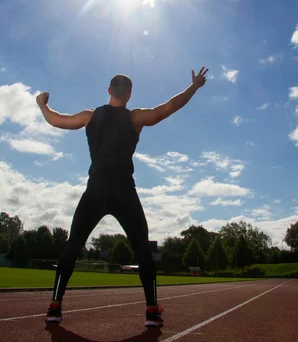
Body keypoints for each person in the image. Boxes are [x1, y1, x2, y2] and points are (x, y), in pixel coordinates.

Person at [36, 67, 208, 327]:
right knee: (143, 251)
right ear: (129, 94)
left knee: (72, 247)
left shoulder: (89, 117)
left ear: (108, 91)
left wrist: (41, 104)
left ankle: (55, 306)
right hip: (124, 192)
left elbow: (56, 120)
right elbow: (169, 107)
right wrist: (194, 86)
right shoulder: (134, 118)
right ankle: (151, 310)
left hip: (94, 191)